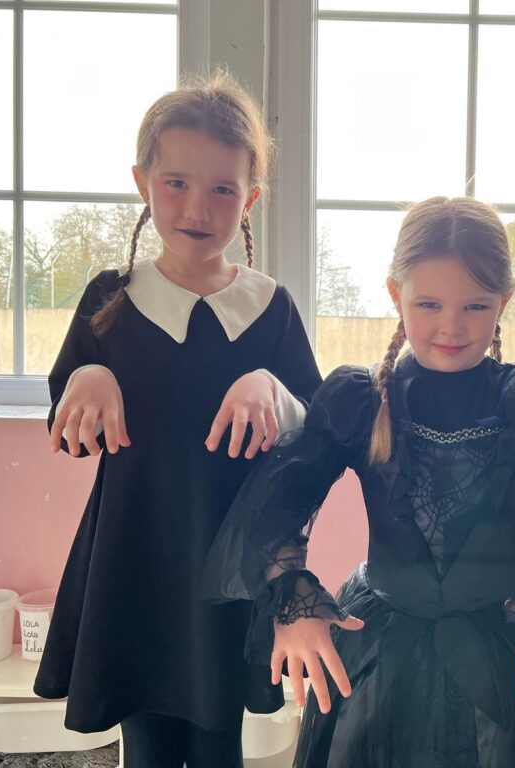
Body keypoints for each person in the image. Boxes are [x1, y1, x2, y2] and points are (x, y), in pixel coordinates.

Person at [205, 196, 515, 767]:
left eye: (475, 305)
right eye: (429, 304)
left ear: (505, 301)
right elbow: (277, 498)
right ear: (395, 295)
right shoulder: (359, 400)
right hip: (380, 655)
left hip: (512, 656)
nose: (452, 326)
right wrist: (292, 598)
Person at [33, 71, 322, 767]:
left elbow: (318, 430)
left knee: (220, 742)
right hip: (134, 563)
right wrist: (88, 376)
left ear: (250, 199)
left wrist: (271, 389)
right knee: (147, 745)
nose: (198, 206)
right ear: (143, 184)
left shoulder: (270, 307)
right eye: (176, 183)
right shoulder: (110, 299)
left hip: (233, 571)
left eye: (223, 188)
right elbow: (67, 426)